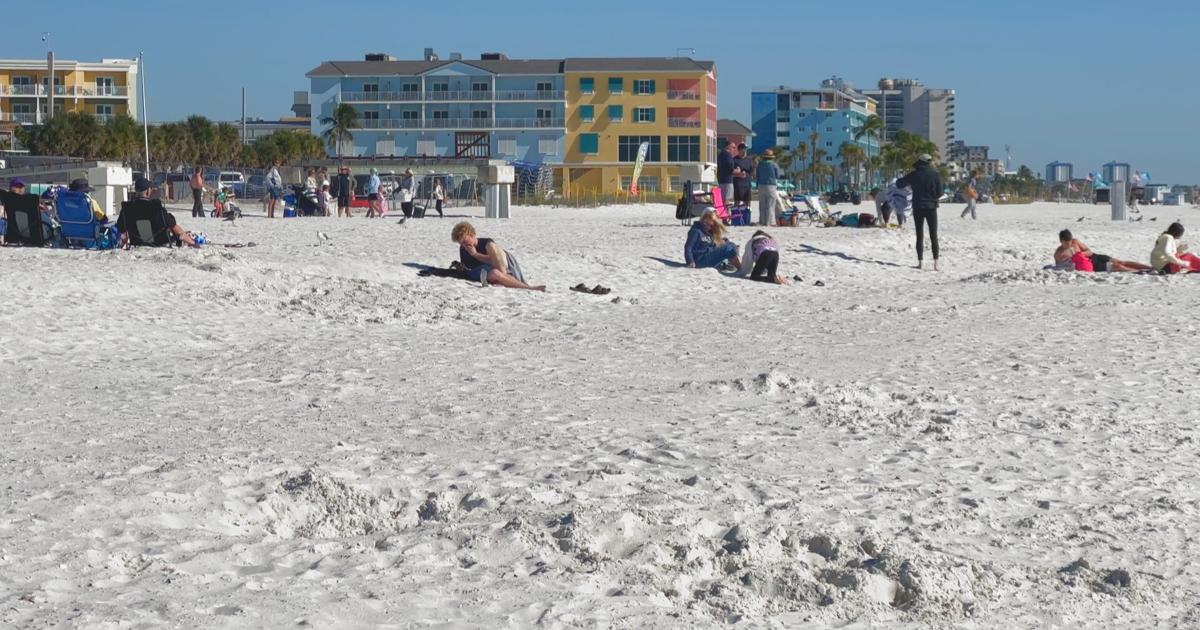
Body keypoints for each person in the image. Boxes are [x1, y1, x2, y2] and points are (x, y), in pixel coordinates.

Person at [451, 221, 545, 291]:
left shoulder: (486, 243)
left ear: (472, 234)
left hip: (498, 266)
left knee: (493, 255)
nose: (463, 245)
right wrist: (461, 267)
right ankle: (526, 287)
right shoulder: (463, 249)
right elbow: (467, 267)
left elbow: (494, 260)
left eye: (464, 241)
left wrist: (475, 254)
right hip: (479, 271)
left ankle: (525, 286)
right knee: (494, 273)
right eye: (461, 243)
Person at [117, 177, 198, 248]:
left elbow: (121, 228)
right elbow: (172, 224)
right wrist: (192, 243)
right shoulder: (155, 206)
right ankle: (192, 243)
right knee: (173, 227)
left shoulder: (127, 208)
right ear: (148, 191)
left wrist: (121, 245)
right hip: (159, 241)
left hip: (137, 241)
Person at [896, 153, 943, 270]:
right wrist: (933, 197)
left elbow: (899, 184)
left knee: (919, 235)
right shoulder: (935, 175)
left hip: (918, 207)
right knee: (933, 235)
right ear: (929, 162)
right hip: (931, 207)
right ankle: (936, 263)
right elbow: (940, 192)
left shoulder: (914, 174)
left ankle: (920, 263)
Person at [1054, 230, 1151, 272]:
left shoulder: (1075, 242)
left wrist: (1080, 254)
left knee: (1121, 261)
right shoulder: (1059, 253)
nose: (1069, 244)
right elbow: (1061, 267)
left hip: (1094, 257)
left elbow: (1089, 251)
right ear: (1061, 242)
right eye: (1066, 243)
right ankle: (1139, 271)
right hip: (1092, 265)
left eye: (1070, 242)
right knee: (1119, 266)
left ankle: (1150, 268)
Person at [756, 149, 781, 227]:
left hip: (761, 185)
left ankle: (762, 221)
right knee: (770, 205)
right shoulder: (774, 165)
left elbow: (757, 175)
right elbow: (778, 175)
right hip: (771, 185)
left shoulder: (760, 164)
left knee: (762, 205)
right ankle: (769, 222)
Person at [732, 143, 754, 208]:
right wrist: (739, 174)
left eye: (746, 149)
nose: (745, 151)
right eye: (743, 149)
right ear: (739, 150)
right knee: (737, 204)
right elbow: (730, 173)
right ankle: (736, 217)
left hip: (747, 185)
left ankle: (747, 217)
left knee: (748, 205)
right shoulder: (734, 160)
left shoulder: (749, 160)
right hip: (738, 185)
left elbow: (751, 172)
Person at [716, 141, 736, 209]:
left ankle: (723, 216)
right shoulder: (727, 156)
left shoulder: (720, 155)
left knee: (722, 201)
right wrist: (738, 171)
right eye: (733, 147)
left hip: (721, 181)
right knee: (728, 202)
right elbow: (731, 169)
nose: (734, 149)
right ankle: (726, 217)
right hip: (727, 182)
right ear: (728, 146)